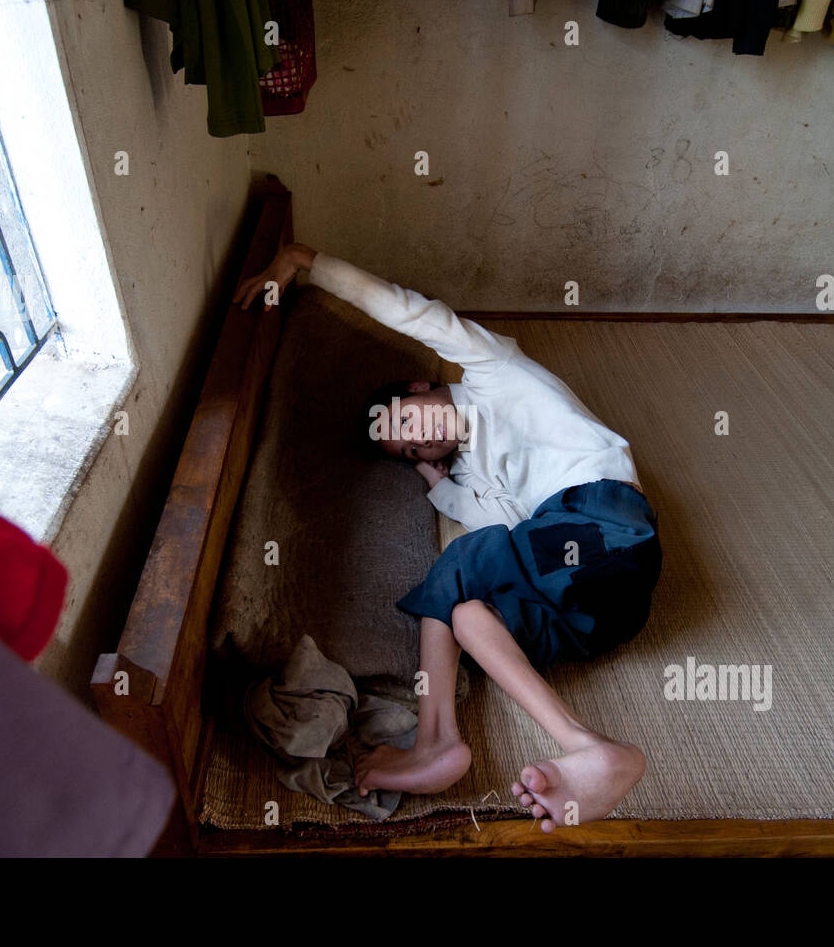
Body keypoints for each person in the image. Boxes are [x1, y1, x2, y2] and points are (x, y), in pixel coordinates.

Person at [233, 243, 662, 832]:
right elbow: (508, 536)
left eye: (406, 421)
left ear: (423, 384)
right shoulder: (473, 475)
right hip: (595, 615)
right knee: (466, 616)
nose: (420, 440)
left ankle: (439, 741)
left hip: (609, 527)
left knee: (463, 561)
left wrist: (304, 260)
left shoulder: (491, 374)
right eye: (408, 449)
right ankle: (583, 744)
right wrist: (442, 486)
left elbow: (411, 313)